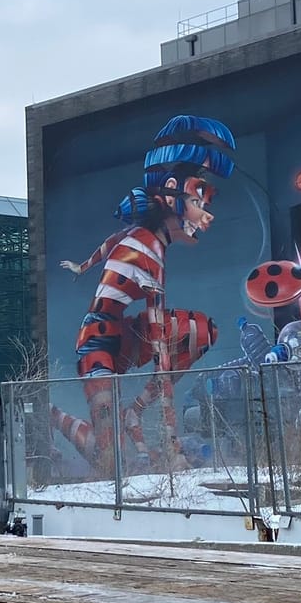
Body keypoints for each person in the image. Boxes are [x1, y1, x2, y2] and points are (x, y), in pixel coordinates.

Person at [53, 115, 235, 470]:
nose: (206, 215)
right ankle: (52, 416)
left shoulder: (143, 239)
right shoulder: (148, 254)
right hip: (97, 346)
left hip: (122, 333)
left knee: (203, 330)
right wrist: (172, 445)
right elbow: (159, 354)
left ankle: (132, 417)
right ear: (171, 195)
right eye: (201, 201)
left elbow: (110, 243)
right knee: (109, 461)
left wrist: (83, 266)